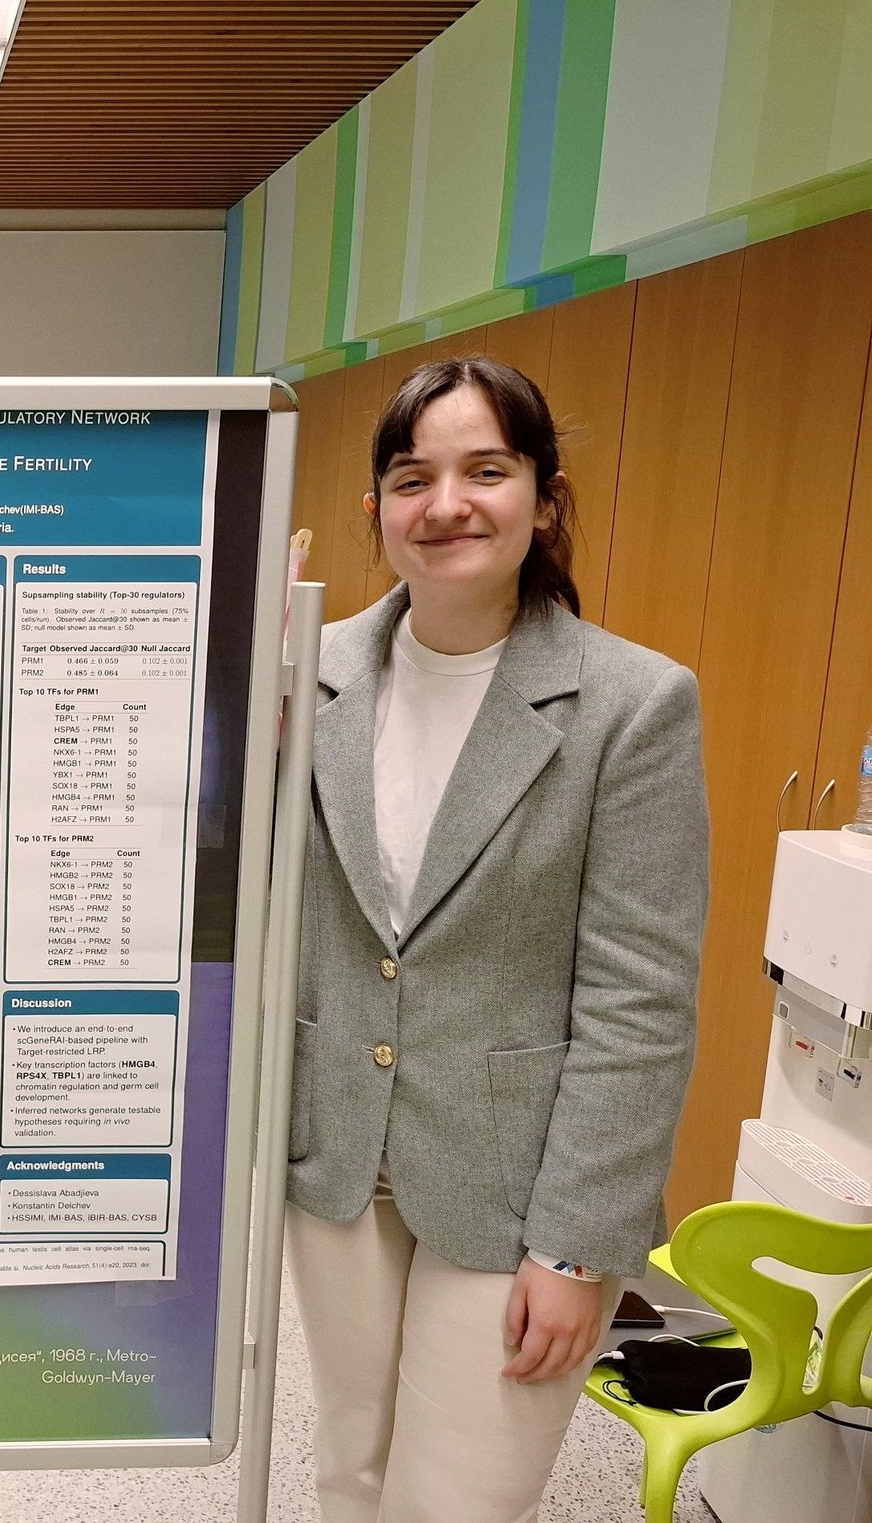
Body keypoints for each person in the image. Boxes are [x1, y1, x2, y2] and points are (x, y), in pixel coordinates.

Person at [285, 357, 708, 1523]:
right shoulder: (309, 676)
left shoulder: (630, 704)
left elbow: (638, 999)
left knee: (455, 1501)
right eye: (410, 478)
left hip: (521, 1180)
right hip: (338, 1151)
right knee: (349, 1472)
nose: (445, 505)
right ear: (376, 508)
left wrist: (576, 1248)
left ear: (543, 499)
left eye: (484, 471)